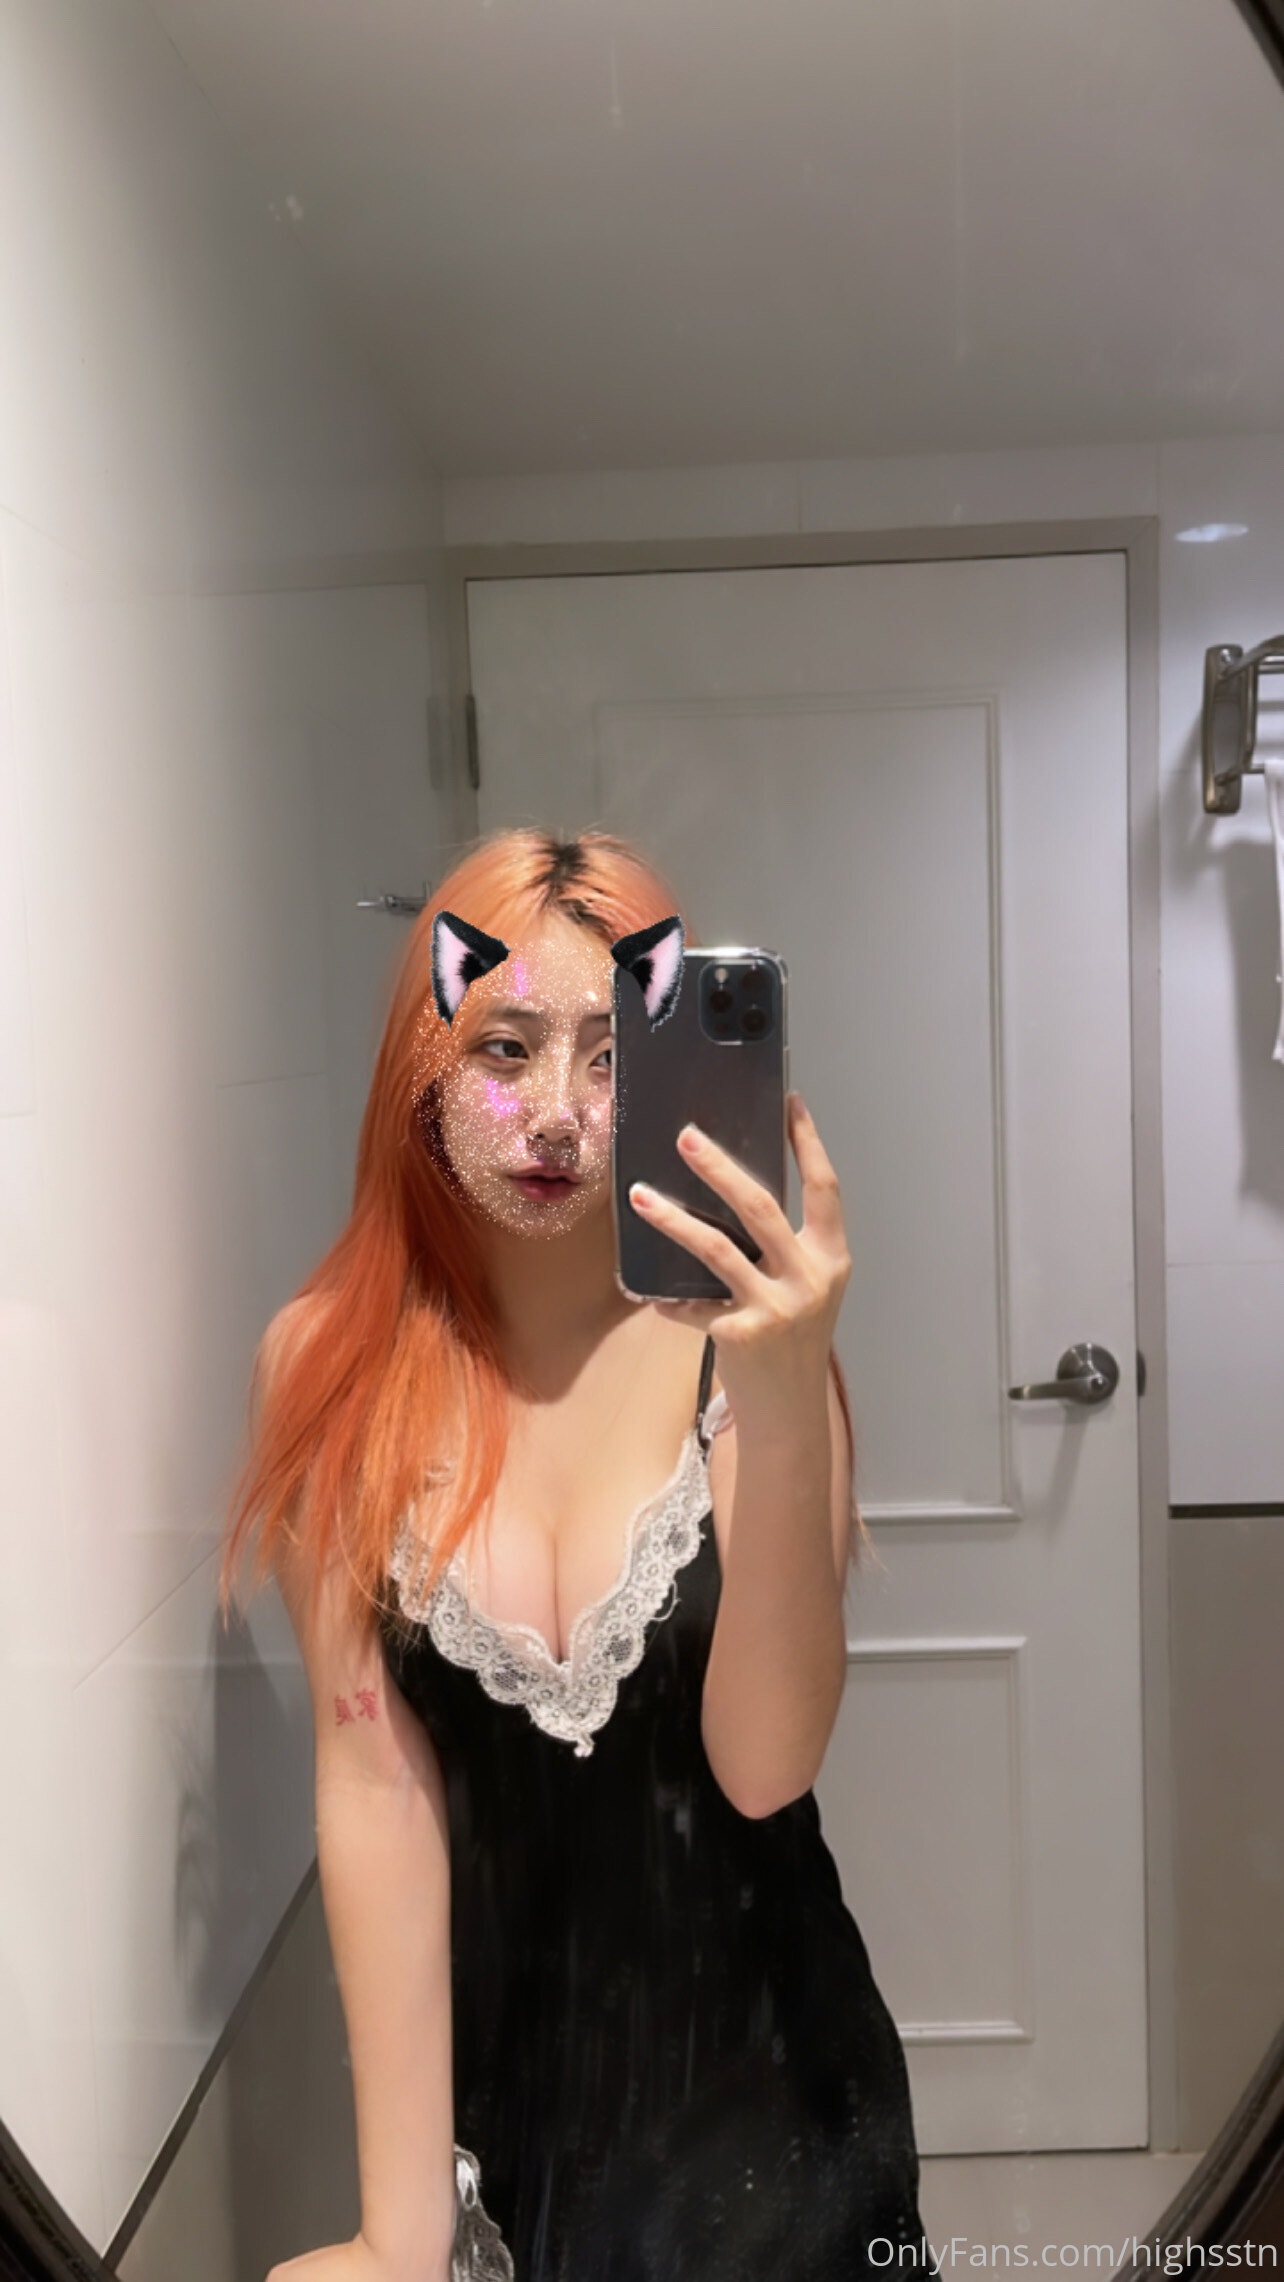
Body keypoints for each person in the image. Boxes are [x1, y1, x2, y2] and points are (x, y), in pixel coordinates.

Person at [222, 827, 932, 2282]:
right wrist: (400, 2230)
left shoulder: (740, 1344)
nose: (555, 1112)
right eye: (505, 1047)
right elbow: (374, 1781)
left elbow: (766, 1764)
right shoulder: (326, 1365)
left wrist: (784, 1396)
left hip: (782, 2115)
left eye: (614, 1059)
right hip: (514, 2135)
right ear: (421, 1064)